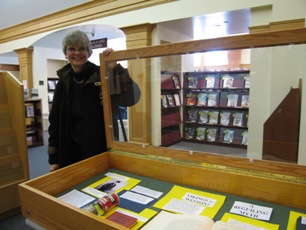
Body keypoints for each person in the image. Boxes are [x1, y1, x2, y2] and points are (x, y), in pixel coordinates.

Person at [48, 30, 140, 172]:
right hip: (69, 151)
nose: (77, 53)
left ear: (89, 52)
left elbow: (133, 98)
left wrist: (116, 68)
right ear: (66, 53)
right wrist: (53, 159)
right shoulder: (63, 83)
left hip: (98, 149)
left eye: (82, 48)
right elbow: (55, 121)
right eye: (72, 48)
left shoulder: (102, 75)